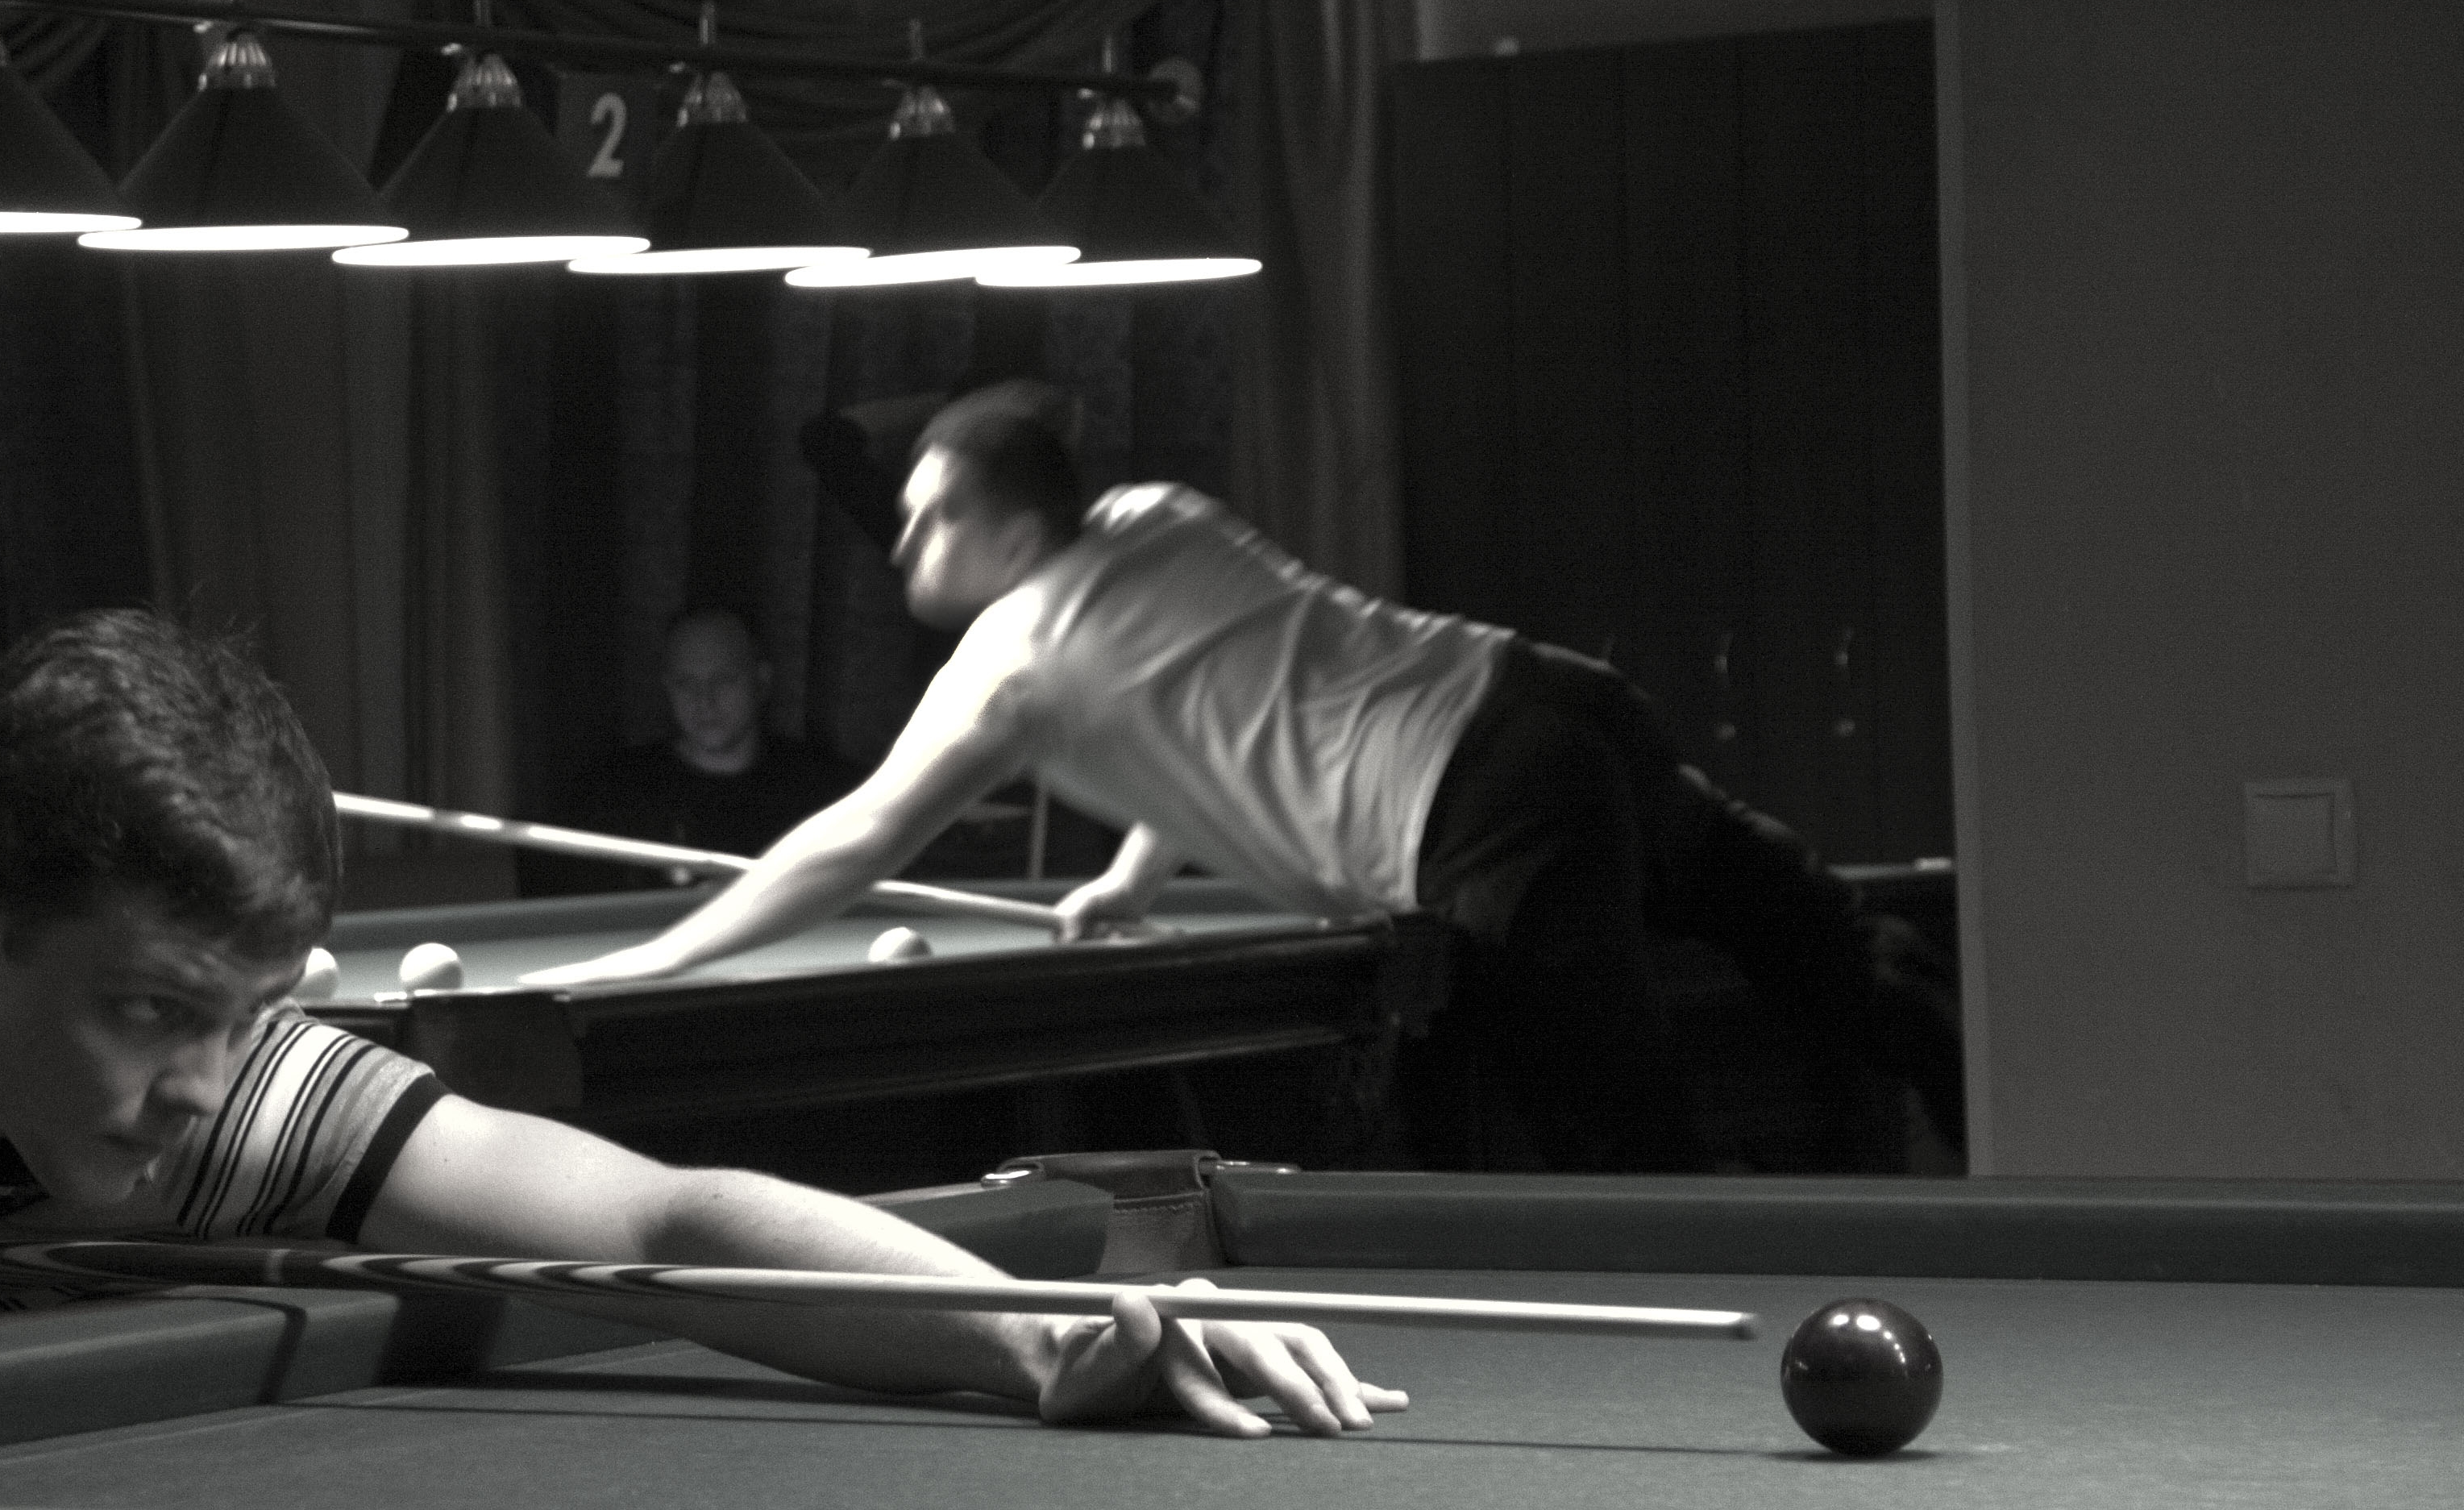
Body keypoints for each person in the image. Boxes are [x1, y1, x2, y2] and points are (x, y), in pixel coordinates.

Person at [0, 562, 1402, 1437]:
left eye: (242, 1016)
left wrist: (1051, 1340)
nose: (204, 1088)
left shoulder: (233, 1096)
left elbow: (656, 1218)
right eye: (150, 1014)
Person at [530, 384, 1962, 1173]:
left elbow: (848, 845)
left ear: (1011, 535)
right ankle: (1996, 1107)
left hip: (1478, 803)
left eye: (926, 520)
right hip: (1553, 699)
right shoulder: (1158, 514)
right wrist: (1133, 870)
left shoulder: (1011, 662)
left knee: (1620, 1131)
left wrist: (652, 962)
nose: (901, 548)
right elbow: (1226, 687)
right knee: (1820, 944)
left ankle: (1741, 1355)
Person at [520, 608, 862, 894]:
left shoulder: (827, 793)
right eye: (687, 683)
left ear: (760, 681)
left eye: (723, 680)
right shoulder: (610, 795)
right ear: (667, 687)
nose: (704, 701)